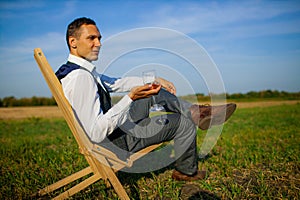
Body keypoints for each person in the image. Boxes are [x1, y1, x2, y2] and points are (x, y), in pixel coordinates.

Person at [55, 17, 236, 181]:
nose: (99, 43)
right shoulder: (81, 78)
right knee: (182, 123)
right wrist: (129, 99)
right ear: (73, 42)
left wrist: (153, 81)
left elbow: (115, 83)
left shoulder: (77, 71)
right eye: (91, 38)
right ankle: (185, 172)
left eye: (99, 38)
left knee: (152, 92)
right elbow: (95, 132)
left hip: (115, 132)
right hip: (116, 143)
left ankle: (198, 112)